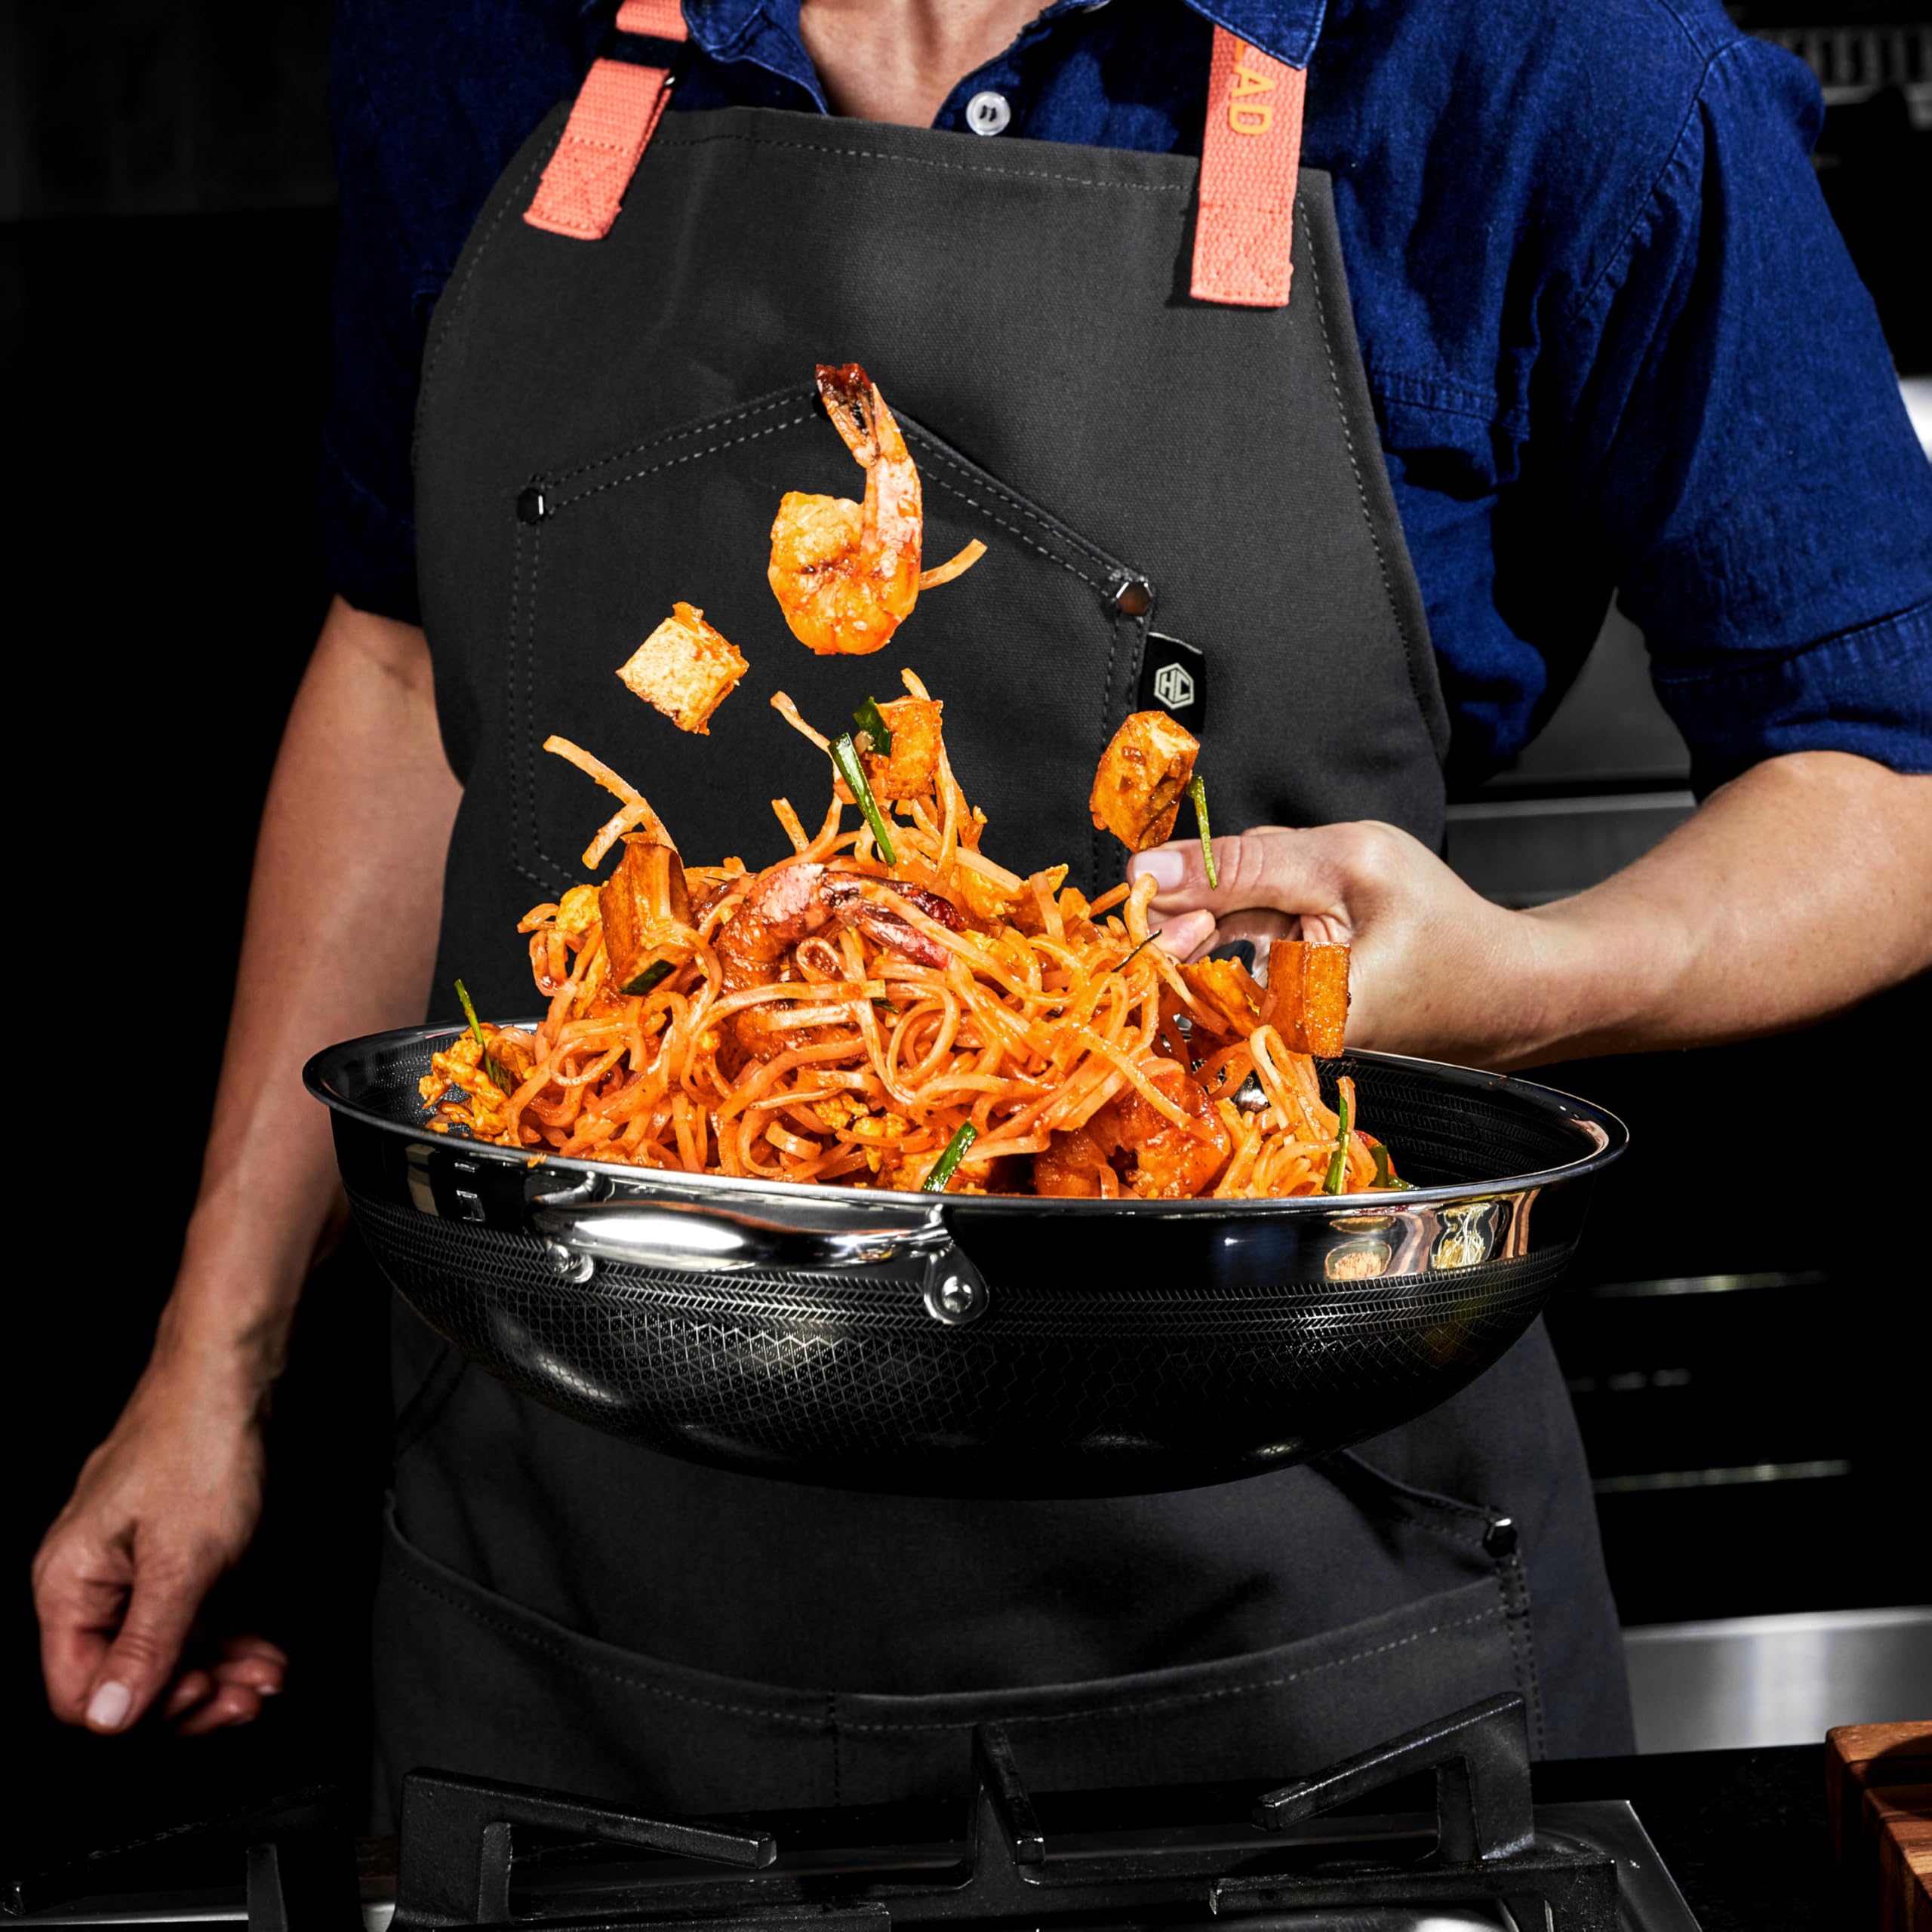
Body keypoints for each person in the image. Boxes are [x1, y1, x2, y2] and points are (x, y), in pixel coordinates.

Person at [35, 0, 1930, 1814]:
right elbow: (399, 666)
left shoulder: (1542, 65)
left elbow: (1890, 773)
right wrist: (210, 1360)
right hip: (572, 1645)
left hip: (1296, 1653)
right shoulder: (477, 37)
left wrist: (1524, 984)